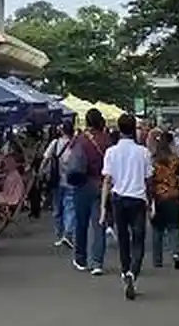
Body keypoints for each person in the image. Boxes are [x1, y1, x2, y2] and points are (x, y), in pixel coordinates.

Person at [101, 113, 153, 301]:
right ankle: (133, 272)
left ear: (119, 129)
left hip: (118, 199)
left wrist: (102, 209)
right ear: (134, 129)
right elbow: (149, 180)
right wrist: (151, 202)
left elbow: (107, 180)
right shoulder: (143, 152)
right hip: (138, 199)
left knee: (123, 238)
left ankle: (125, 271)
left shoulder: (111, 152)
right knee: (138, 239)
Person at [68, 108, 112, 274]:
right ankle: (97, 262)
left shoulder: (81, 139)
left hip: (82, 184)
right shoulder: (106, 140)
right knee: (99, 223)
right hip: (101, 185)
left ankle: (81, 258)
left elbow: (70, 157)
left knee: (81, 223)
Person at [151, 131, 179, 269]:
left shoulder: (153, 161)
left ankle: (157, 259)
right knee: (174, 227)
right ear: (171, 143)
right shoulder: (175, 160)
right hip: (173, 196)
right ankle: (176, 253)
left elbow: (150, 180)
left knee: (157, 229)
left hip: (158, 196)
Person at [42, 120, 75, 247]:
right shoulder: (75, 144)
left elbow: (46, 158)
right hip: (72, 181)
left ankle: (60, 234)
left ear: (62, 130)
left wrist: (40, 173)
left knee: (57, 208)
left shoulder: (55, 143)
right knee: (70, 208)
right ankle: (68, 234)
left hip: (56, 180)